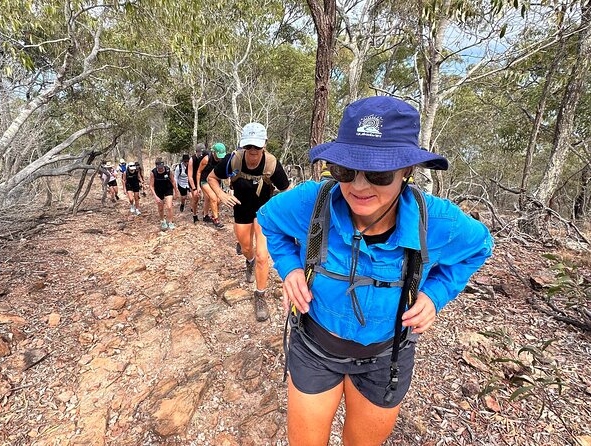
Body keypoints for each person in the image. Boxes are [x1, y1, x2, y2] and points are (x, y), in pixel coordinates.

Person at [257, 97, 493, 446]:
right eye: (345, 171)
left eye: (379, 174)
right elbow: (268, 220)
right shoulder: (312, 203)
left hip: (386, 357)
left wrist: (435, 294)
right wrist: (290, 268)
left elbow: (479, 247)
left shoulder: (439, 222)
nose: (359, 186)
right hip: (315, 347)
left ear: (407, 172)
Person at [208, 122, 290, 321]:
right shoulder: (233, 160)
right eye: (249, 147)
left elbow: (286, 189)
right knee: (247, 248)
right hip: (241, 208)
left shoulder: (272, 164)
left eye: (257, 147)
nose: (253, 151)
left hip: (264, 212)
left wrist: (278, 210)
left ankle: (259, 295)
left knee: (263, 256)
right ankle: (248, 260)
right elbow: (212, 177)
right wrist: (220, 194)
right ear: (243, 145)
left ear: (264, 145)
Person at [196, 143, 226, 228]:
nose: (220, 158)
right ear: (214, 153)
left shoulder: (222, 160)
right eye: (218, 155)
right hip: (204, 180)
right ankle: (215, 219)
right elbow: (198, 172)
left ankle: (205, 216)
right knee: (213, 198)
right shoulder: (206, 159)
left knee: (217, 200)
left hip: (215, 181)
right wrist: (198, 186)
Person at [150, 157, 179, 230]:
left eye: (162, 167)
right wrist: (155, 197)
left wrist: (176, 192)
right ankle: (162, 221)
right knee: (160, 207)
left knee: (169, 206)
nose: (161, 169)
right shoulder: (153, 173)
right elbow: (151, 186)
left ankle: (171, 222)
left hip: (168, 189)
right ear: (156, 166)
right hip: (158, 190)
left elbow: (173, 181)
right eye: (159, 167)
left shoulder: (168, 170)